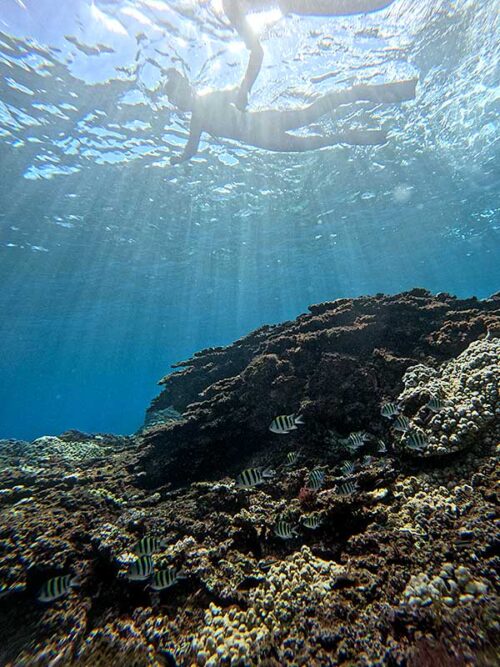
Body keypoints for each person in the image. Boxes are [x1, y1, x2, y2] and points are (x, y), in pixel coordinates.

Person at [165, 71, 416, 164]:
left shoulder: (205, 103)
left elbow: (235, 93)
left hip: (262, 127)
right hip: (262, 135)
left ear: (185, 93)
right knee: (315, 133)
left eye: (175, 99)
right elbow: (191, 148)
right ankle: (358, 130)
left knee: (314, 121)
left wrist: (239, 98)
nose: (176, 105)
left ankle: (362, 96)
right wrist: (179, 159)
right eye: (173, 102)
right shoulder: (196, 119)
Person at [222, 0, 398, 109]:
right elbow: (256, 51)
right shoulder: (230, 8)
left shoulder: (230, 8)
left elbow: (256, 52)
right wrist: (245, 89)